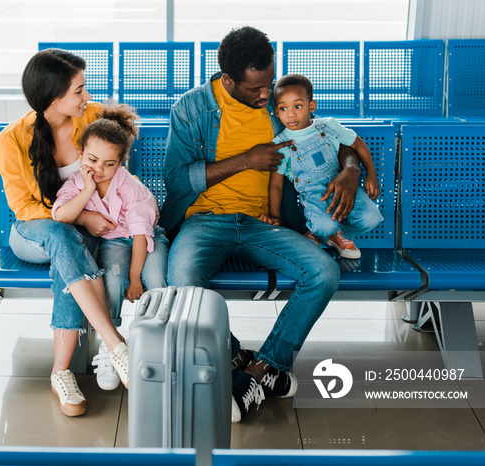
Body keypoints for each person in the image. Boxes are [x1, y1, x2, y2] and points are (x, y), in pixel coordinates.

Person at [160, 26, 361, 422]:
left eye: (269, 83)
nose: (267, 96)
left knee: (323, 271)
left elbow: (330, 139)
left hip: (264, 223)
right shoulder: (192, 108)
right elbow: (177, 179)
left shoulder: (277, 101)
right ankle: (234, 354)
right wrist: (245, 160)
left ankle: (264, 367)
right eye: (256, 89)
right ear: (229, 80)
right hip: (205, 221)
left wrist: (352, 168)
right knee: (182, 284)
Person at [0, 49, 128, 417]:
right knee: (61, 236)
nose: (87, 97)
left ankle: (61, 372)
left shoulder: (96, 118)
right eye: (79, 91)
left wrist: (85, 217)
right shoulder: (12, 140)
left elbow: (116, 178)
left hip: (73, 234)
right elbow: (23, 208)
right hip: (31, 232)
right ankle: (115, 342)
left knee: (65, 251)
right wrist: (81, 217)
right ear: (54, 98)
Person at [52, 103, 169, 390]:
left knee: (156, 280)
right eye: (92, 160)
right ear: (80, 153)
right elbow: (60, 215)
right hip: (115, 240)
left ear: (121, 163)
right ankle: (111, 345)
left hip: (148, 238)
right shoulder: (78, 184)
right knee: (112, 278)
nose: (99, 170)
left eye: (109, 164)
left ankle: (154, 344)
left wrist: (135, 278)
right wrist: (89, 190)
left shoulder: (130, 187)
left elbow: (141, 236)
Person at [262, 73, 383, 259]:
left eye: (298, 106)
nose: (291, 113)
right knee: (325, 225)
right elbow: (276, 184)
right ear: (277, 113)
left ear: (312, 106)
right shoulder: (281, 144)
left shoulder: (328, 126)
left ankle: (329, 233)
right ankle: (324, 232)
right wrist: (274, 216)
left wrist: (371, 174)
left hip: (344, 188)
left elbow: (357, 143)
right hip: (315, 196)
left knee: (371, 218)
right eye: (283, 108)